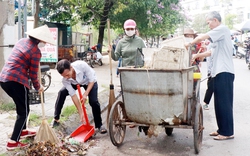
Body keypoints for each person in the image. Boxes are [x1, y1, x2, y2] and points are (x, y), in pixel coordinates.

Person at [0, 25, 55, 150]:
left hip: (4, 79)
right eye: (44, 41)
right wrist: (38, 87)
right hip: (16, 81)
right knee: (23, 112)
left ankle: (23, 130)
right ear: (40, 40)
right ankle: (13, 141)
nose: (45, 43)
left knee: (23, 107)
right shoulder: (35, 51)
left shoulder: (21, 41)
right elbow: (33, 74)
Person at [186, 11, 234, 140]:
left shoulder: (222, 29)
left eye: (209, 23)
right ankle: (222, 129)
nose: (209, 25)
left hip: (224, 71)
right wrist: (197, 55)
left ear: (215, 20)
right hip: (218, 72)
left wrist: (190, 43)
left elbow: (202, 37)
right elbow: (211, 52)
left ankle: (227, 132)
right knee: (219, 103)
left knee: (224, 103)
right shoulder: (219, 36)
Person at [52, 59, 107, 134]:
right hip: (74, 83)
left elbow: (92, 81)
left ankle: (99, 125)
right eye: (64, 76)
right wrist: (81, 112)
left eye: (67, 75)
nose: (66, 77)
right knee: (62, 92)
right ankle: (56, 118)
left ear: (71, 68)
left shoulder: (82, 65)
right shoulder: (65, 79)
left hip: (89, 82)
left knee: (93, 101)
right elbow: (73, 95)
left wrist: (85, 94)